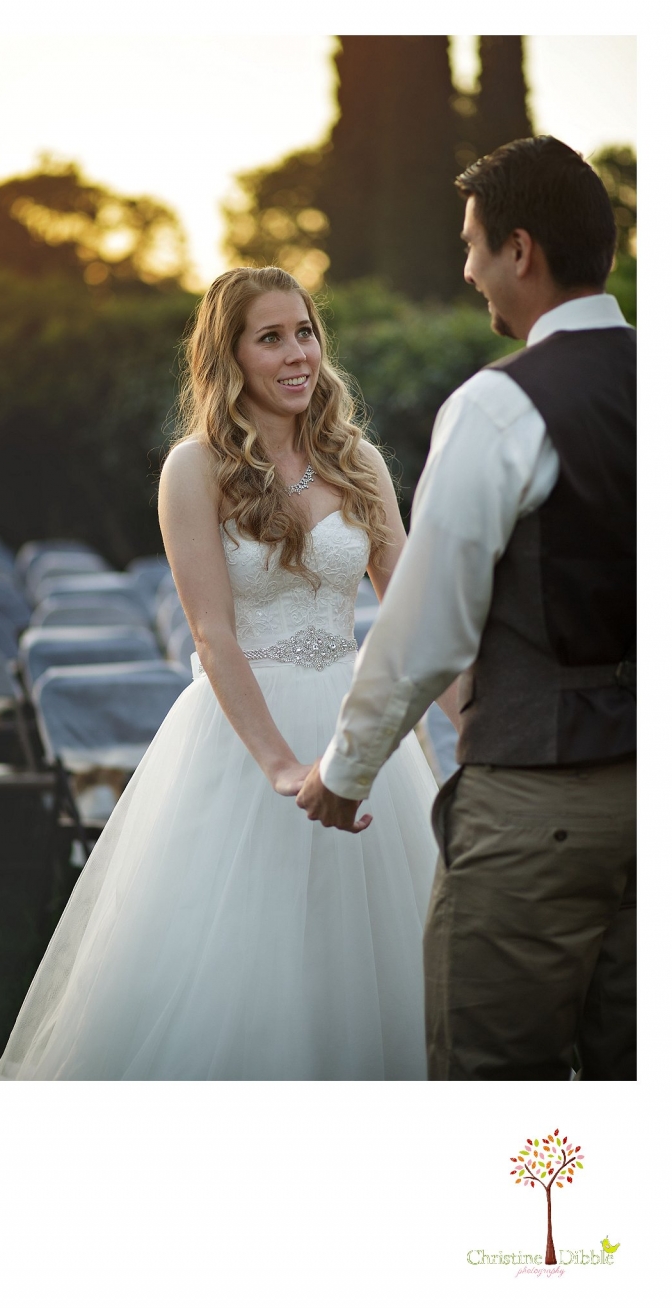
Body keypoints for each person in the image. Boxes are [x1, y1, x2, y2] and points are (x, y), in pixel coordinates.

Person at [0, 266, 443, 1080]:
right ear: (229, 357)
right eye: (271, 338)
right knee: (244, 974)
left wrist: (406, 744)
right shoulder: (193, 469)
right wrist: (281, 766)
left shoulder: (358, 460)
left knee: (376, 968)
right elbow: (212, 633)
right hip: (242, 740)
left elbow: (409, 611)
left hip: (355, 727)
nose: (297, 353)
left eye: (305, 332)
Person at [297, 136, 636, 1082]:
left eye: (474, 246)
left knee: (495, 1088)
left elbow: (426, 629)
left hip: (541, 800)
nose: (467, 271)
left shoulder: (501, 407)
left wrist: (346, 771)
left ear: (519, 251)